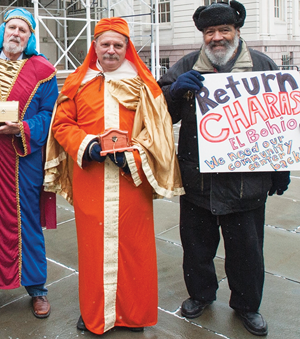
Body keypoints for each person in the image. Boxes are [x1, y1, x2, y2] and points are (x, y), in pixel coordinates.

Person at [157, 2, 290, 336]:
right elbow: (157, 113)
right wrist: (174, 91)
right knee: (197, 247)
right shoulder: (187, 65)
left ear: (237, 31)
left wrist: (282, 166)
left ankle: (247, 306)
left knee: (246, 251)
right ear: (203, 35)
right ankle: (200, 295)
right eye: (209, 32)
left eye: (223, 30)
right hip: (197, 180)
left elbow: (280, 123)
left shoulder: (262, 65)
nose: (216, 38)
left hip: (247, 184)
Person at [45, 17, 183, 334]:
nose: (110, 50)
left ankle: (134, 315)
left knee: (136, 250)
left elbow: (157, 132)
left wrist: (133, 155)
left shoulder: (144, 85)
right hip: (90, 178)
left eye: (117, 45)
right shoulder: (77, 83)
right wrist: (89, 146)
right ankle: (96, 313)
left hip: (130, 180)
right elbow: (62, 126)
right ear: (94, 47)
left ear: (126, 48)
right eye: (104, 44)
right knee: (93, 250)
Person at [0, 8, 58, 319]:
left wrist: (22, 128)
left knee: (26, 220)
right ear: (2, 31)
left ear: (30, 37)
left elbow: (48, 114)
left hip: (22, 159)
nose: (16, 34)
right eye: (12, 28)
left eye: (24, 30)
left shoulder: (44, 71)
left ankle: (37, 288)